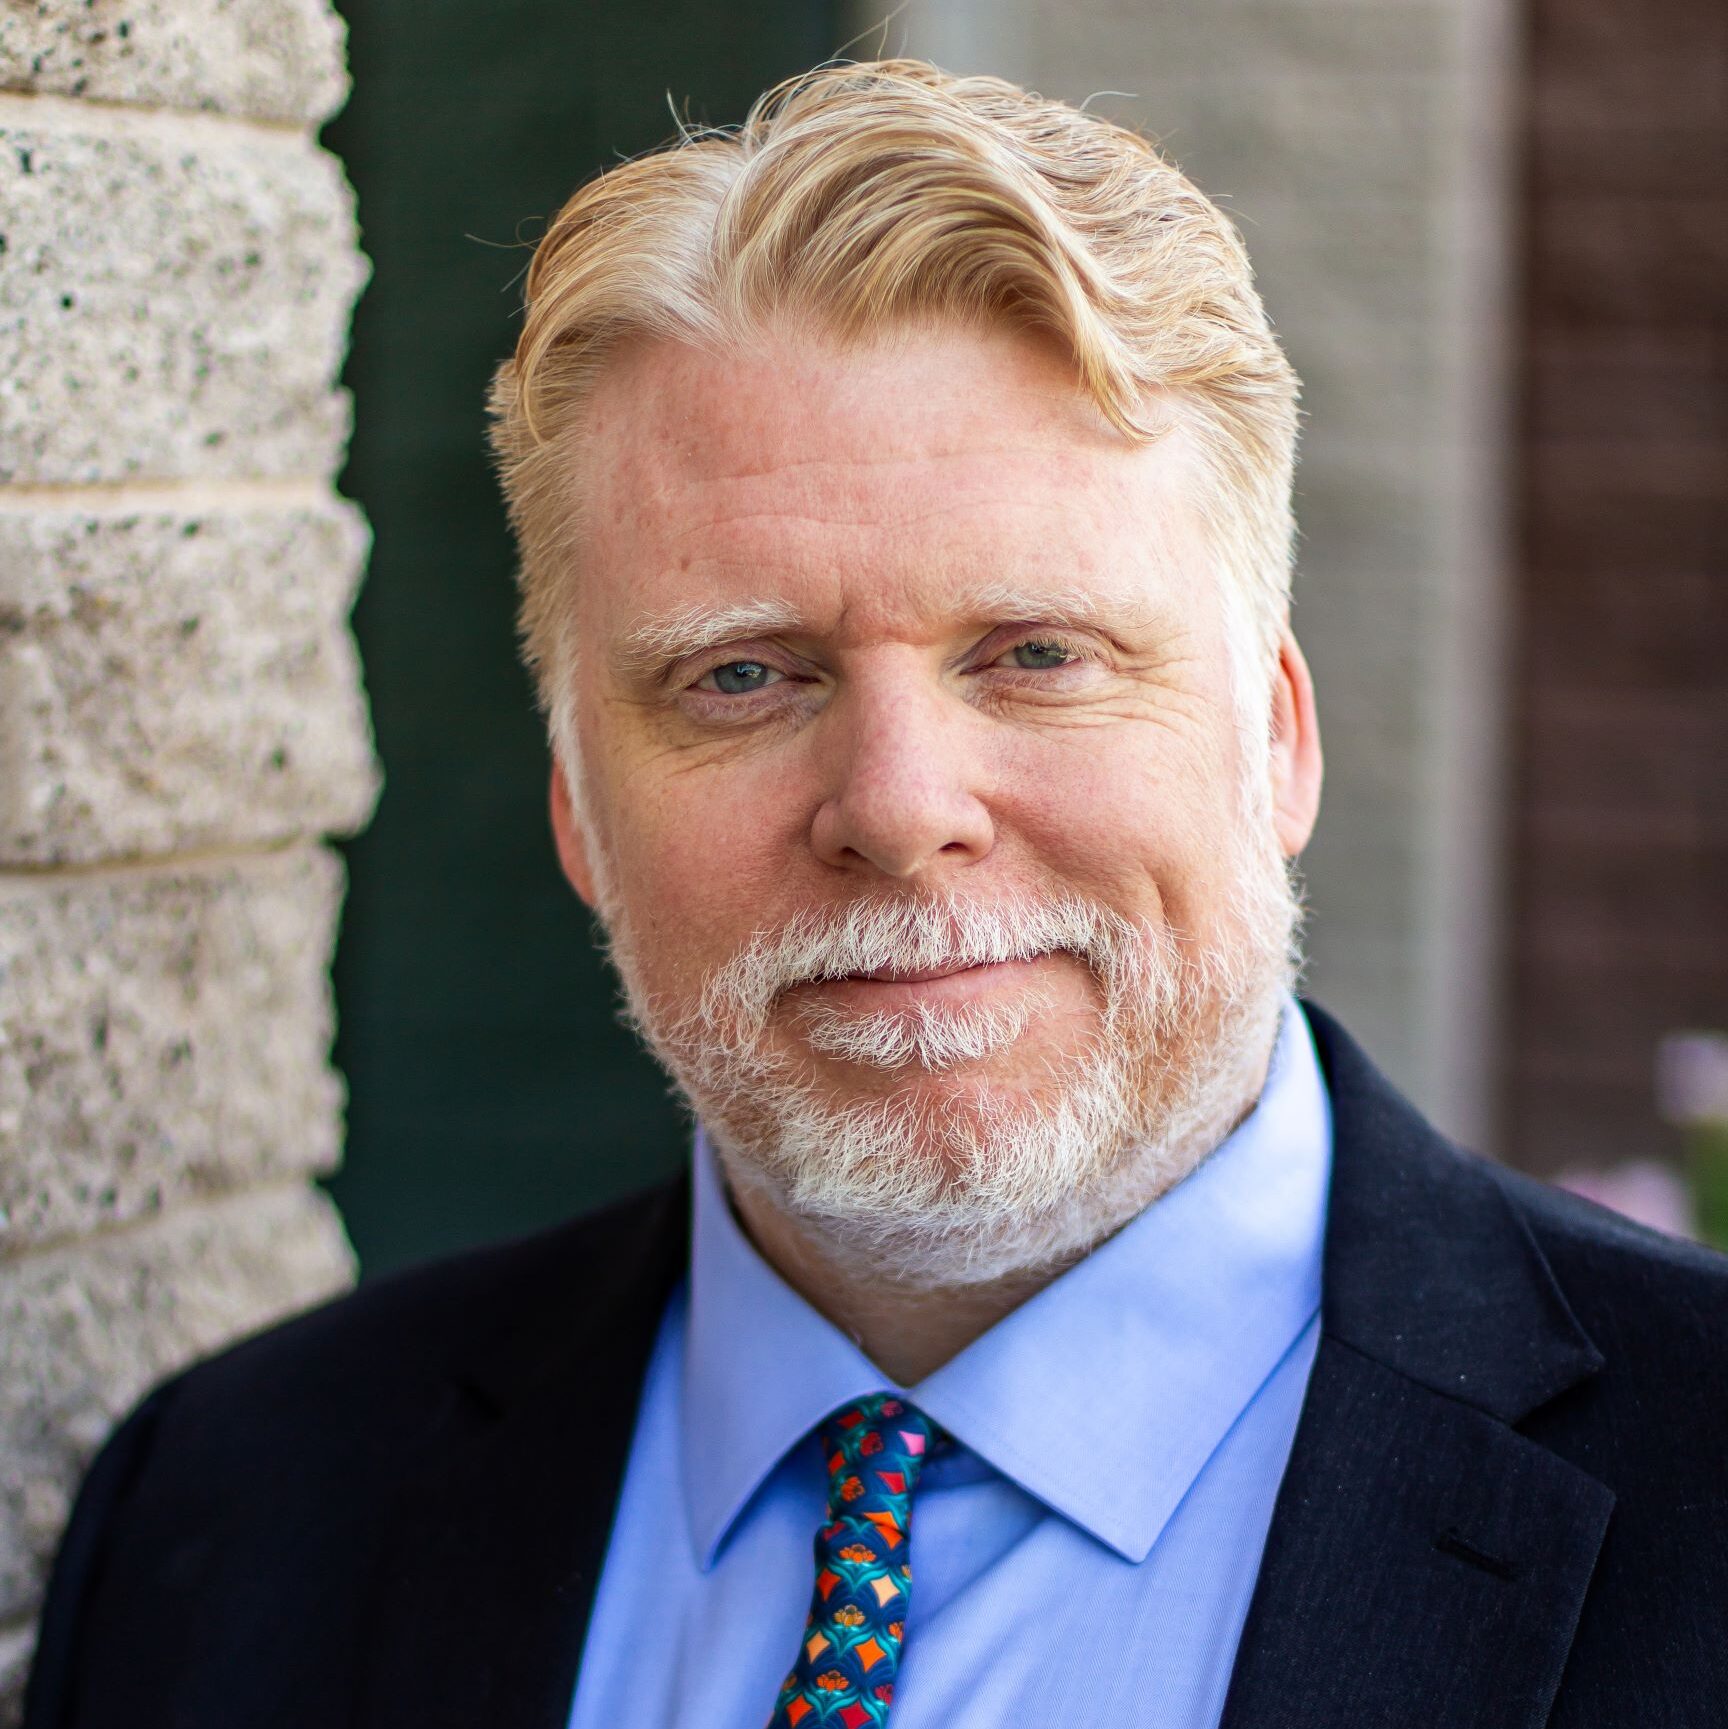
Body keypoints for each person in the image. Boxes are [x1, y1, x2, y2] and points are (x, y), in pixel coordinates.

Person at [24, 59, 1728, 1729]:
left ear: (1274, 737)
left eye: (1038, 653)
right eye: (744, 678)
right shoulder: (236, 1514)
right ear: (576, 813)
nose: (901, 810)